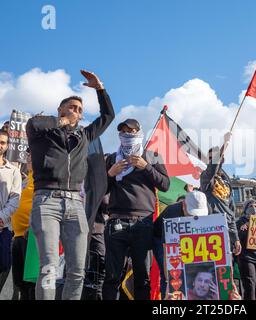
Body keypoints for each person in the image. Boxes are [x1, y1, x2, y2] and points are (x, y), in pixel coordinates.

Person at [26, 70, 115, 300]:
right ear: (60, 109)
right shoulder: (41, 132)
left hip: (76, 203)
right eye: (72, 107)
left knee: (77, 270)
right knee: (49, 266)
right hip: (46, 201)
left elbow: (108, 116)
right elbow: (34, 123)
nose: (77, 112)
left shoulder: (84, 136)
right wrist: (63, 122)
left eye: (80, 110)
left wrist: (100, 89)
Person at [102, 118, 170, 300]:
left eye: (131, 131)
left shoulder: (152, 156)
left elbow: (165, 185)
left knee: (142, 277)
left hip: (143, 222)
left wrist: (146, 166)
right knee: (112, 276)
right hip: (116, 221)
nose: (127, 134)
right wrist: (110, 174)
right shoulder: (111, 159)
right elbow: (100, 190)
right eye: (124, 131)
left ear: (139, 132)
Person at [153, 190, 208, 299]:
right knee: (170, 275)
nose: (194, 217)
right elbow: (166, 251)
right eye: (191, 213)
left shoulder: (208, 210)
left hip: (186, 240)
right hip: (160, 240)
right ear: (183, 205)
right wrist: (169, 279)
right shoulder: (171, 213)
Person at [200, 132, 241, 257]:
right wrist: (225, 145)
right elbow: (212, 168)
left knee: (228, 270)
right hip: (213, 227)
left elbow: (231, 212)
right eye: (210, 158)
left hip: (228, 229)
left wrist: (236, 238)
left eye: (217, 157)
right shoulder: (206, 177)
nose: (213, 160)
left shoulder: (226, 181)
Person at [10, 149, 35, 300]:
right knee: (20, 282)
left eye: (32, 156)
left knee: (31, 282)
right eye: (28, 156)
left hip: (31, 236)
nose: (29, 159)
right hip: (17, 236)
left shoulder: (41, 179)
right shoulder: (25, 179)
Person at [0, 129, 22, 294]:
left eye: (2, 143)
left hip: (3, 227)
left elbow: (15, 198)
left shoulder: (13, 171)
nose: (0, 145)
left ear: (7, 146)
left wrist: (1, 217)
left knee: (4, 265)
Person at [236, 200, 256, 300]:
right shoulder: (240, 222)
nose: (253, 208)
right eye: (250, 206)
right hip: (247, 258)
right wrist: (246, 226)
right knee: (250, 288)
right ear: (245, 209)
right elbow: (237, 239)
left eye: (255, 206)